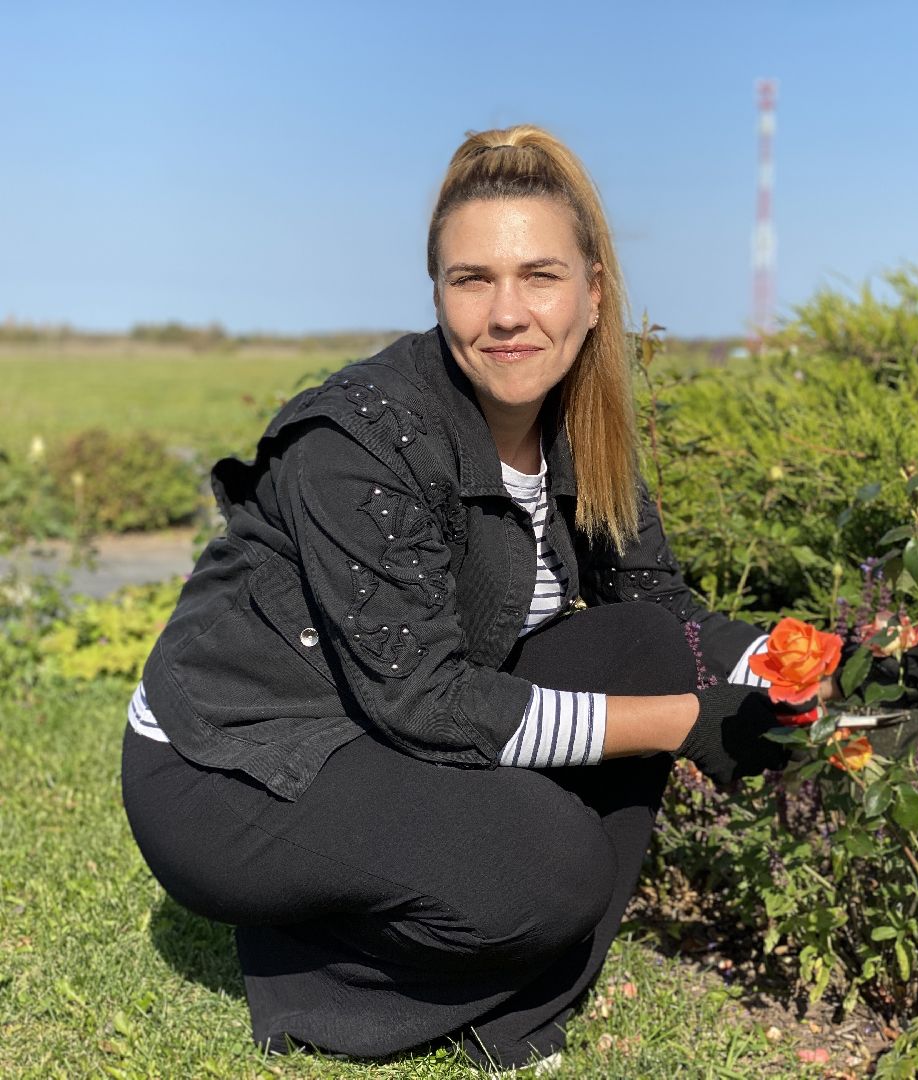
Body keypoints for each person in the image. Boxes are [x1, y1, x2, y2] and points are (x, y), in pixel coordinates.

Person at [121, 124, 816, 1072]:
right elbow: (428, 702)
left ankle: (517, 1013)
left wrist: (822, 660)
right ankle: (314, 981)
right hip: (231, 762)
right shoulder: (362, 440)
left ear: (593, 292)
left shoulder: (579, 430)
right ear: (439, 294)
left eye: (539, 275)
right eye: (471, 279)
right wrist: (687, 724)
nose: (507, 313)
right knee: (550, 862)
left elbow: (669, 616)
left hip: (377, 723)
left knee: (643, 641)